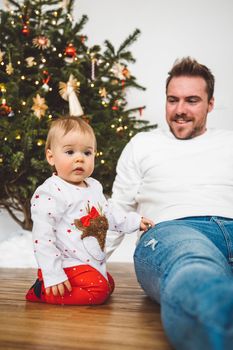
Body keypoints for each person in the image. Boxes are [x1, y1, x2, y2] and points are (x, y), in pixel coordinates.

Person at [106, 57, 233, 350]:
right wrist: (88, 263)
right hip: (174, 231)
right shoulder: (143, 144)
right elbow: (119, 209)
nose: (180, 110)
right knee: (194, 266)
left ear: (210, 104)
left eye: (192, 100)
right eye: (172, 100)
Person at [26, 116, 154, 305]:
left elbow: (109, 213)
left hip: (88, 260)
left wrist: (134, 222)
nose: (79, 158)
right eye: (70, 152)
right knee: (99, 291)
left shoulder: (93, 186)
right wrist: (52, 273)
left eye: (87, 153)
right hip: (66, 263)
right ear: (51, 157)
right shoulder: (51, 192)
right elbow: (43, 237)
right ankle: (42, 291)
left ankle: (78, 284)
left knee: (108, 284)